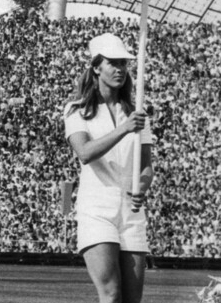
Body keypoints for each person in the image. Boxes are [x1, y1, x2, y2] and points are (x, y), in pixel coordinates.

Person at [63, 33, 154, 303]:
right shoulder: (77, 110)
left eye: (124, 64)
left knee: (131, 299)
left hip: (132, 211)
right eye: (113, 63)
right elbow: (85, 152)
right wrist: (125, 128)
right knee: (111, 294)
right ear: (96, 67)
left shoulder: (137, 113)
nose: (120, 69)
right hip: (96, 210)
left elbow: (146, 167)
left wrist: (143, 186)